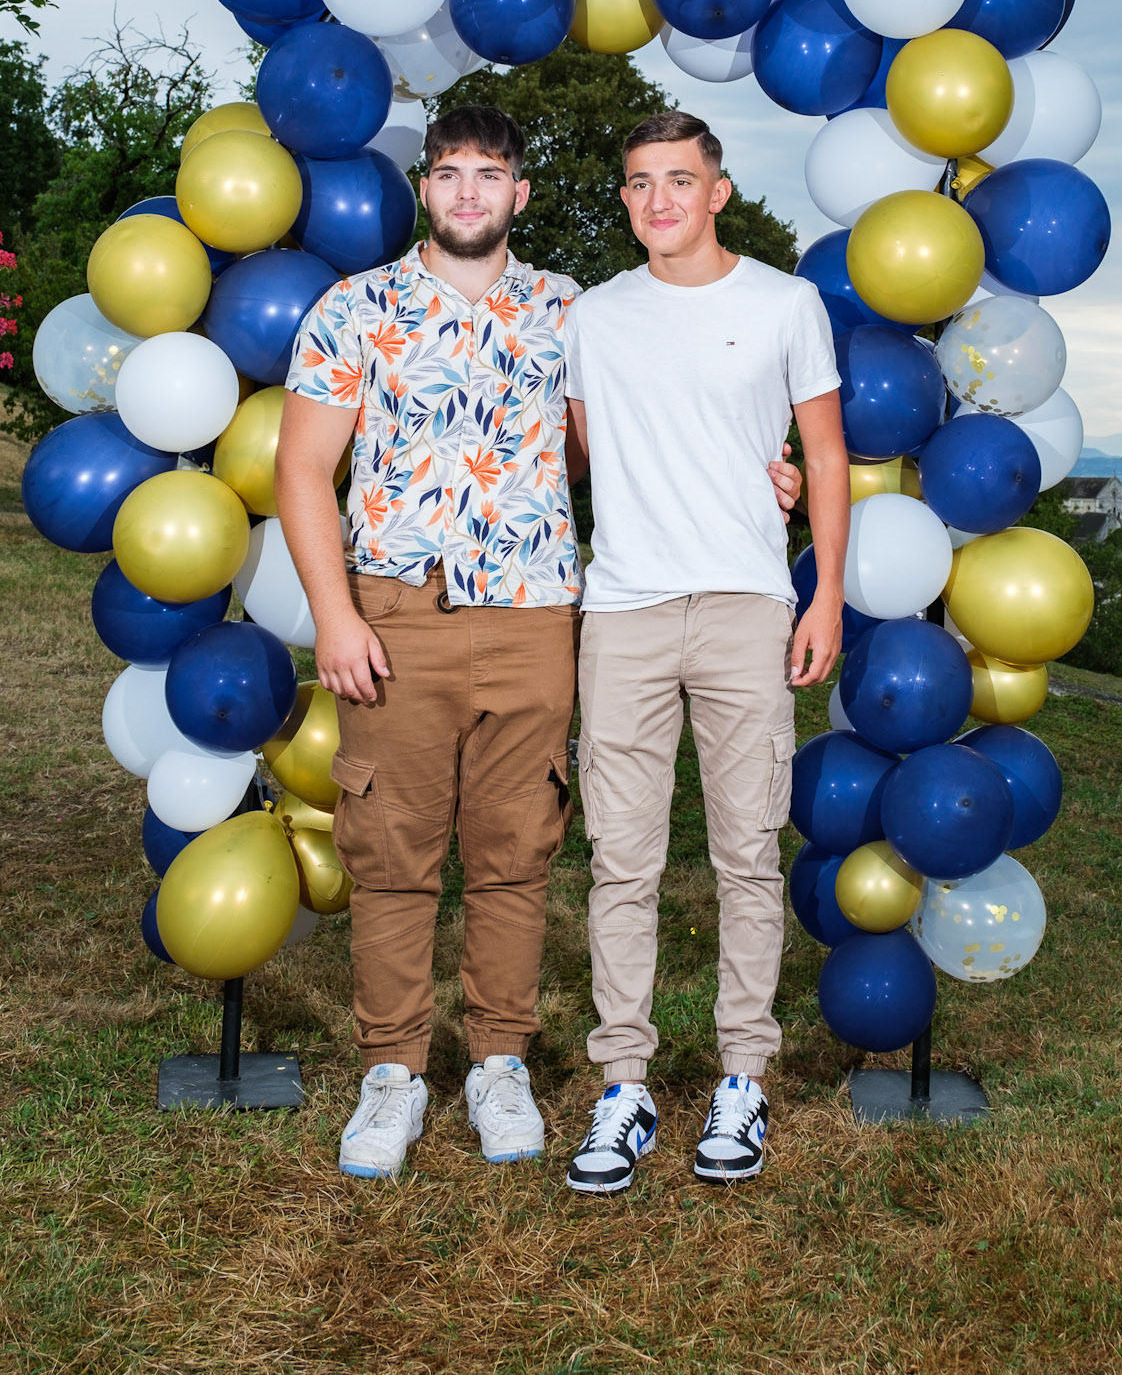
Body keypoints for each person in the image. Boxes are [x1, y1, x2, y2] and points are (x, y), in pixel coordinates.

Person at [275, 103, 802, 1182]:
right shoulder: (355, 308)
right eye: (448, 172)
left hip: (536, 616)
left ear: (518, 193)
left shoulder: (571, 311)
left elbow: (636, 433)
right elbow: (300, 469)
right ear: (426, 187)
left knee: (517, 854)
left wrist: (761, 473)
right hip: (396, 612)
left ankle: (499, 1062)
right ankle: (392, 1073)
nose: (468, 191)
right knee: (392, 852)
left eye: (489, 174)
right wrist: (334, 613)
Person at [562, 110, 849, 1194]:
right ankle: (623, 1085)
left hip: (746, 603)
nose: (660, 200)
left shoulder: (785, 304)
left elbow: (826, 456)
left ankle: (742, 1078)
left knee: (747, 855)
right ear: (625, 199)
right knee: (620, 859)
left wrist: (824, 593)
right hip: (624, 610)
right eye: (640, 182)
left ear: (718, 191)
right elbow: (578, 453)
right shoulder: (594, 316)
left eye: (679, 179)